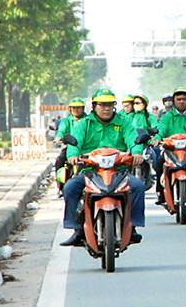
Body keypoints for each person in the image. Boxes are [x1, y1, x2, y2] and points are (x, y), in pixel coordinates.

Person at [60, 89, 147, 246]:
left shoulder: (123, 122)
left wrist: (137, 153)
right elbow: (74, 142)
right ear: (94, 106)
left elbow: (133, 140)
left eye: (110, 105)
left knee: (138, 186)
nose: (106, 108)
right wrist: (72, 155)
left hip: (118, 171)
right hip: (90, 171)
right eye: (102, 105)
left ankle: (132, 227)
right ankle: (77, 229)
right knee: (70, 187)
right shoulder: (84, 124)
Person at [152, 87, 186, 205]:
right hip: (171, 150)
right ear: (174, 101)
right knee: (160, 161)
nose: (181, 101)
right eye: (179, 99)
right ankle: (160, 192)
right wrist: (158, 138)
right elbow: (162, 128)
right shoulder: (167, 117)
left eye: (184, 99)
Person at [53, 97, 87, 183]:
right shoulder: (66, 121)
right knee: (59, 160)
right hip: (70, 148)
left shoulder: (89, 120)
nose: (76, 110)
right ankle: (60, 185)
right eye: (74, 107)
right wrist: (59, 138)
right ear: (70, 109)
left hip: (87, 149)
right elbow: (61, 131)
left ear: (83, 108)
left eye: (78, 107)